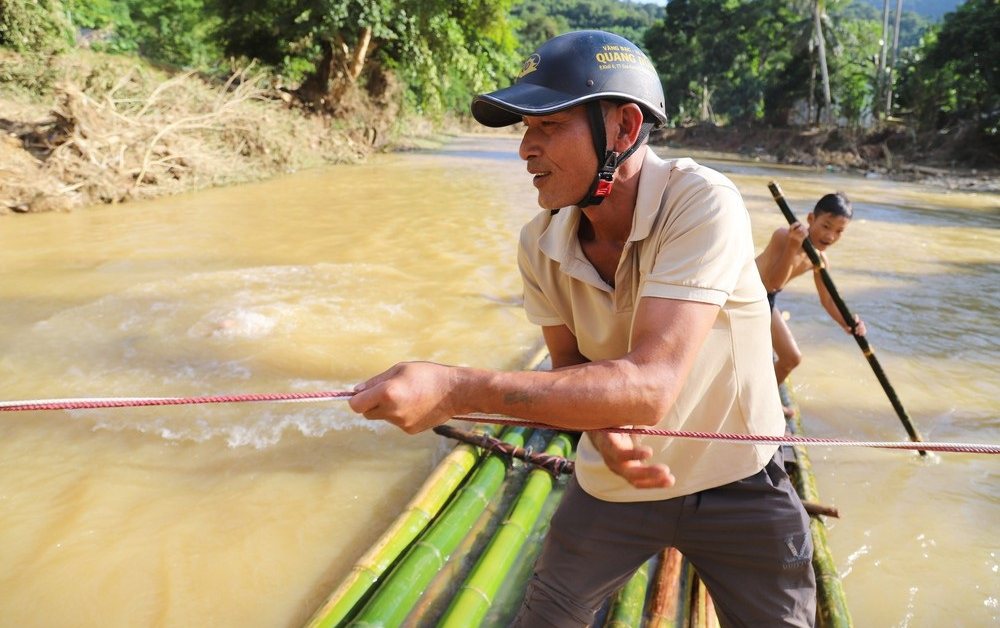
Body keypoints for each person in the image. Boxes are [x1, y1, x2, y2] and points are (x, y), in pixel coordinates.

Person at [349, 30, 815, 627]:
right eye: (524, 129)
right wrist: (606, 428)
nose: (525, 149)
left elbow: (650, 387)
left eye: (547, 125)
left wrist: (455, 390)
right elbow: (568, 365)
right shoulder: (539, 244)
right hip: (614, 487)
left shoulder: (702, 202)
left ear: (622, 130)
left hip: (741, 481)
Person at [755, 193, 867, 415]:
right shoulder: (783, 236)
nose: (830, 236)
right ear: (810, 219)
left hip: (766, 301)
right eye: (826, 226)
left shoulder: (820, 260)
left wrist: (848, 323)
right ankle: (757, 407)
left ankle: (762, 403)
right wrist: (793, 245)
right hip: (745, 296)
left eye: (839, 231)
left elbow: (827, 300)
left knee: (790, 359)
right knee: (757, 359)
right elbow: (774, 281)